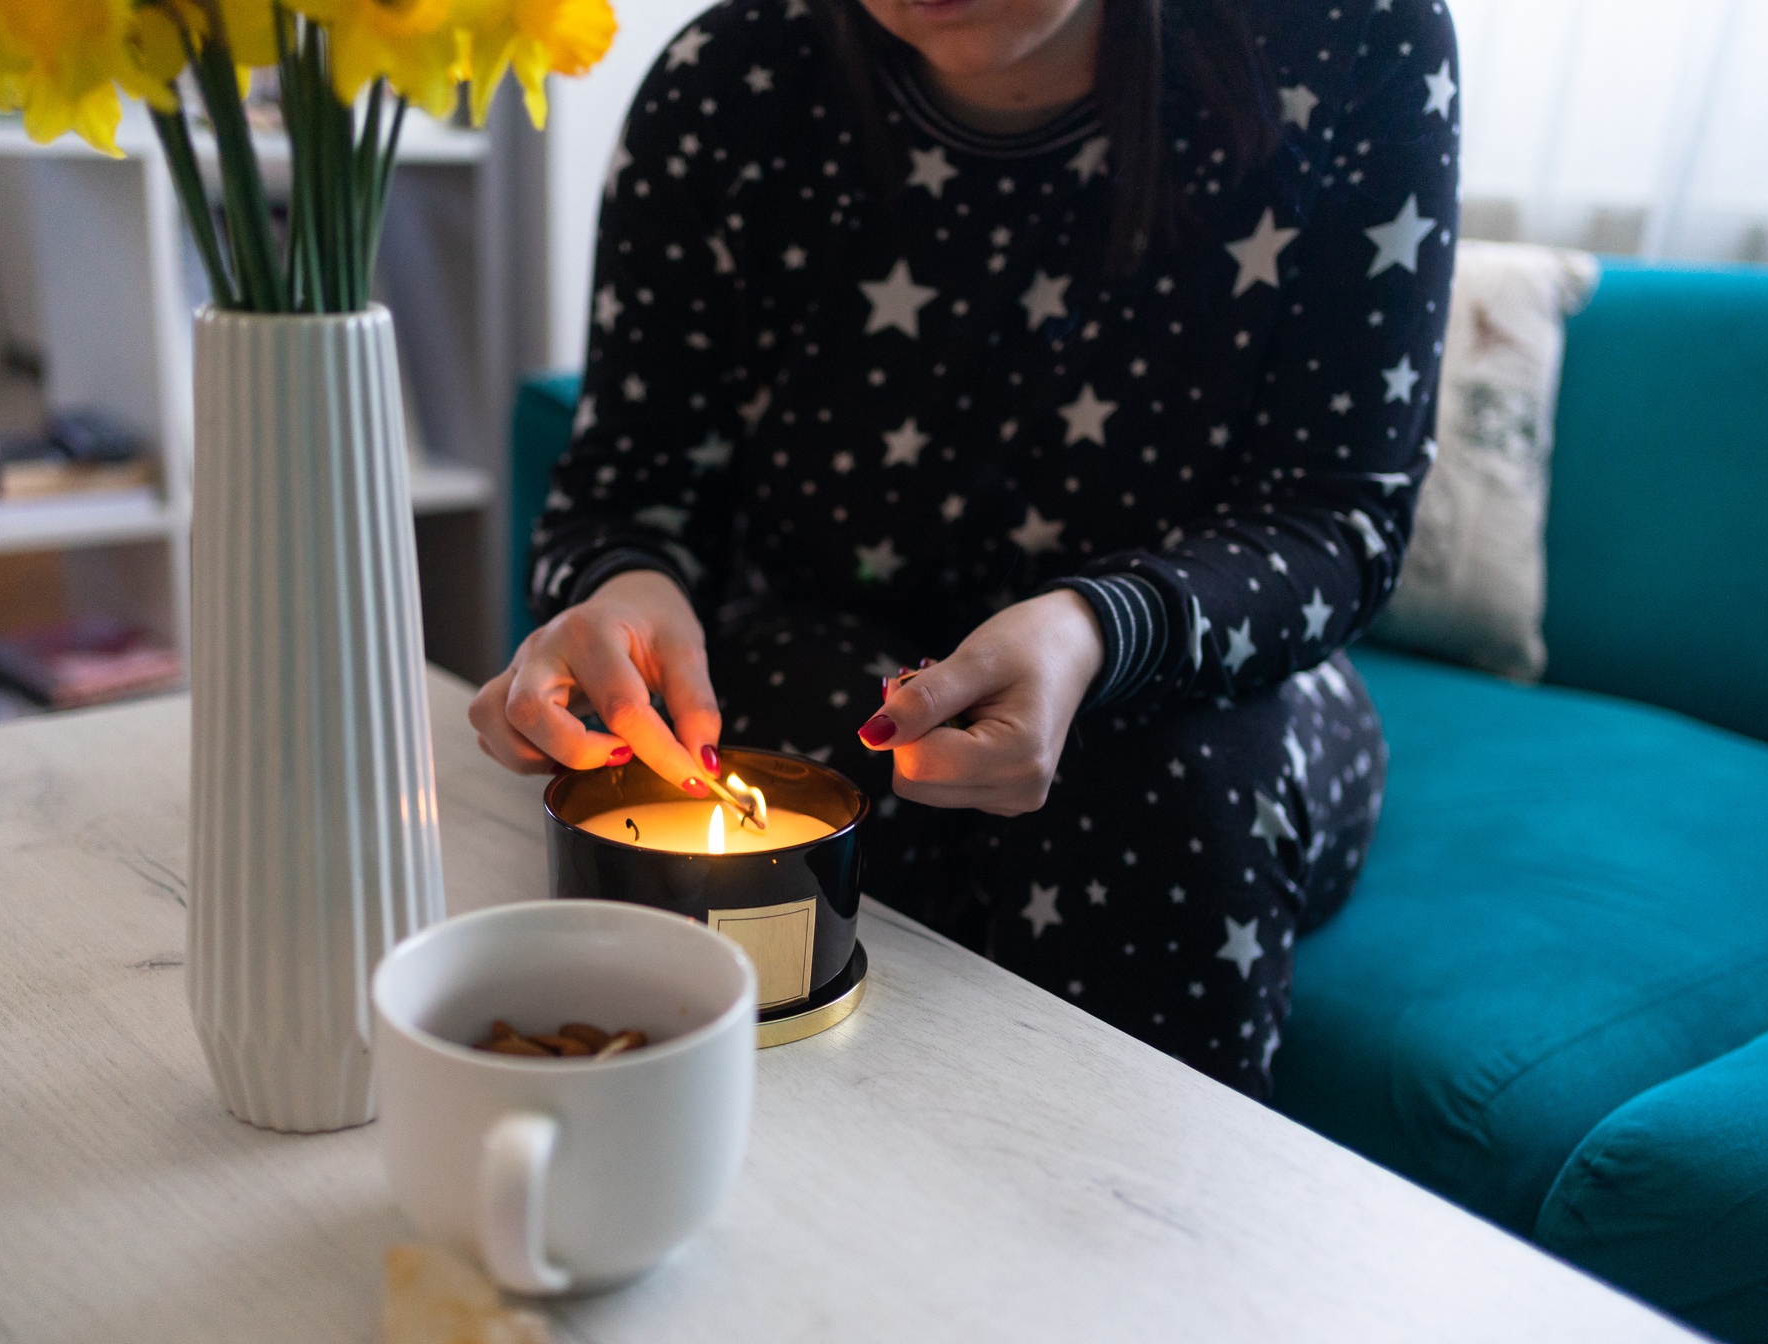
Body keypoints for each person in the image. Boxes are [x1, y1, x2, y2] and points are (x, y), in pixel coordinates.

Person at [471, 0, 1459, 1097]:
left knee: (1171, 793)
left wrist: (1096, 628)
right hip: (832, 657)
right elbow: (624, 495)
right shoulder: (728, 79)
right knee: (733, 756)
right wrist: (618, 595)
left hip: (1203, 689)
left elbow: (1339, 519)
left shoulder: (1350, 37)